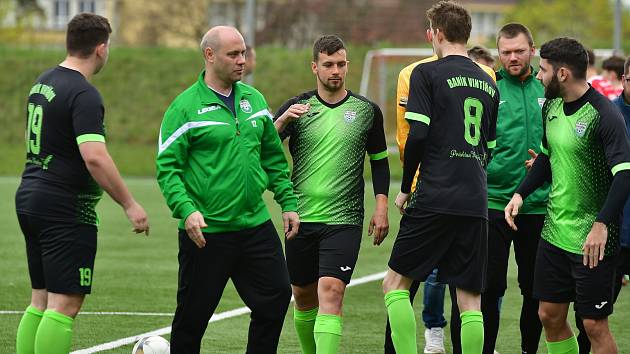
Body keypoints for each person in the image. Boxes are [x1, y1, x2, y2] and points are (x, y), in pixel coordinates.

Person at [156, 26, 299, 354]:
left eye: (244, 53)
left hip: (255, 226)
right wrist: (187, 210)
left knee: (276, 297)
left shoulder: (255, 100)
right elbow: (168, 170)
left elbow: (272, 158)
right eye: (233, 54)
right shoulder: (184, 108)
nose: (242, 61)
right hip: (207, 232)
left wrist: (287, 202)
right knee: (193, 319)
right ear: (210, 55)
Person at [14, 13, 149, 354]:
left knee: (41, 299)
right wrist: (129, 203)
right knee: (64, 305)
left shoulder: (43, 82)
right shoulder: (83, 93)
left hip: (31, 195)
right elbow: (94, 156)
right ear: (101, 48)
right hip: (64, 206)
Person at [382, 2, 499, 354]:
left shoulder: (426, 73)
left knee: (394, 286)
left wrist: (405, 190)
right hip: (475, 197)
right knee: (470, 301)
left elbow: (417, 135)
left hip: (434, 193)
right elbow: (489, 147)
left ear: (438, 34)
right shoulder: (489, 81)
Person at [505, 37, 630, 354]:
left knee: (594, 326)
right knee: (549, 315)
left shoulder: (604, 114)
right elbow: (547, 157)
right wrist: (520, 194)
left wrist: (601, 225)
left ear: (561, 73)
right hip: (554, 234)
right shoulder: (550, 107)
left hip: (592, 241)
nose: (538, 76)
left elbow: (625, 174)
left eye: (543, 69)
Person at [273, 34, 390, 354]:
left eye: (340, 64)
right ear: (315, 67)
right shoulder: (298, 108)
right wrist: (281, 120)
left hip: (345, 220)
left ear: (347, 65)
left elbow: (380, 164)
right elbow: (263, 149)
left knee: (331, 292)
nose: (335, 70)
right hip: (300, 217)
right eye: (328, 65)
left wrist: (382, 207)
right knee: (303, 297)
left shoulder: (367, 111)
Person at [480, 23, 548, 354]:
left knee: (534, 289)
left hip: (536, 205)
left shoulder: (547, 89)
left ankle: (528, 351)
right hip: (493, 202)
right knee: (488, 287)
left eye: (519, 50)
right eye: (505, 52)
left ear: (532, 50)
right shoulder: (489, 88)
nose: (512, 57)